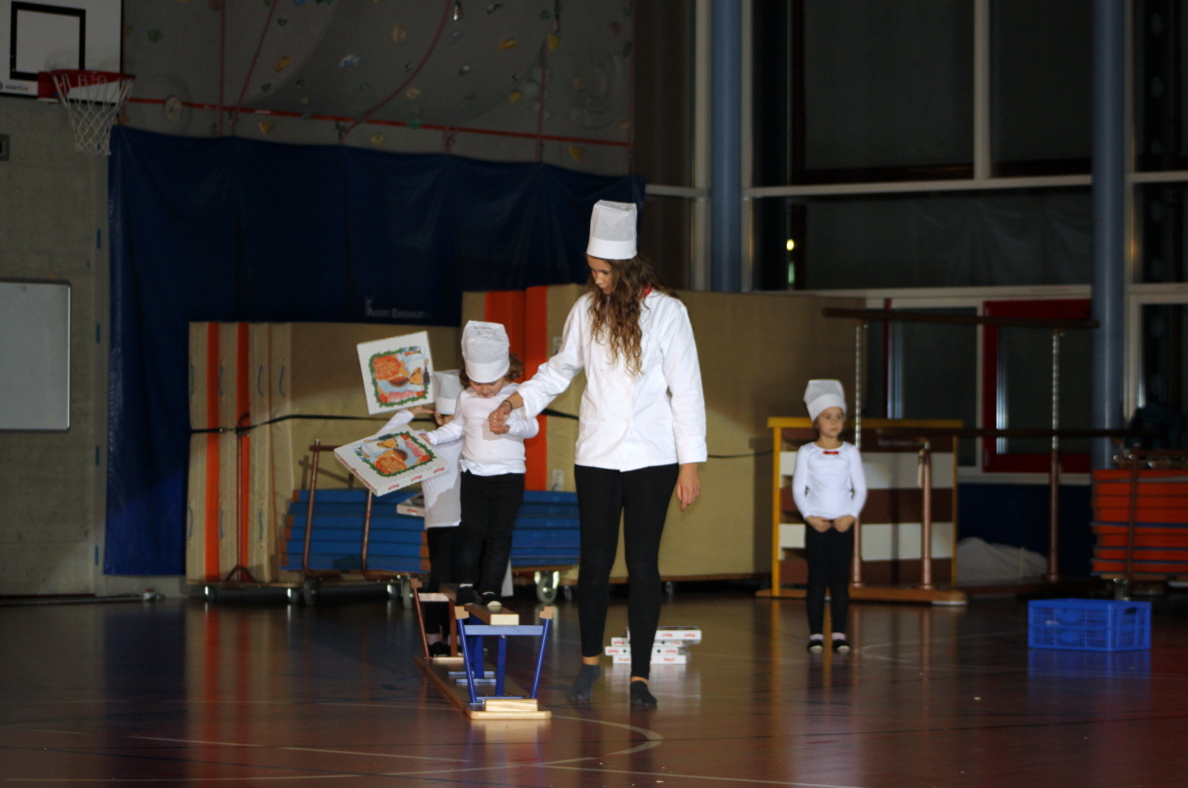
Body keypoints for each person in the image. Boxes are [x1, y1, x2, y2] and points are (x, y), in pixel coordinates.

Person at [488, 199, 706, 710]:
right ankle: (588, 665)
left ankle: (640, 676)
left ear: (627, 269)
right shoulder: (586, 311)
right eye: (593, 271)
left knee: (643, 564)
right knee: (594, 563)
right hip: (598, 456)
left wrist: (690, 464)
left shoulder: (669, 313)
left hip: (654, 457)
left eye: (605, 272)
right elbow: (559, 370)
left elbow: (687, 391)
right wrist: (515, 399)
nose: (598, 280)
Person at [422, 322, 538, 610]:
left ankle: (490, 589)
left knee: (499, 535)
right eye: (477, 383)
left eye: (492, 384)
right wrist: (432, 438)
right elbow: (456, 427)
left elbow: (532, 428)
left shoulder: (518, 395)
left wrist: (509, 425)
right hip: (474, 475)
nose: (484, 390)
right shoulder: (466, 397)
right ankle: (466, 583)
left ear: (505, 372)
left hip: (509, 478)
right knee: (471, 531)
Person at [373, 370, 464, 656]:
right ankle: (436, 638)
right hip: (440, 522)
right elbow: (380, 442)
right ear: (437, 417)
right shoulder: (425, 442)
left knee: (461, 583)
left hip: (467, 523)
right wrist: (407, 413)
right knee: (441, 581)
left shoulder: (468, 436)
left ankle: (455, 640)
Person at [791, 379, 867, 654]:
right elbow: (798, 489)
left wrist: (851, 516)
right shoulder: (807, 452)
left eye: (838, 417)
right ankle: (815, 635)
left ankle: (839, 634)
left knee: (839, 582)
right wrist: (809, 517)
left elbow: (860, 489)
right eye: (827, 417)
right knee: (816, 581)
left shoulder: (850, 452)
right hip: (817, 525)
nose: (833, 422)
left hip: (843, 526)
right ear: (816, 421)